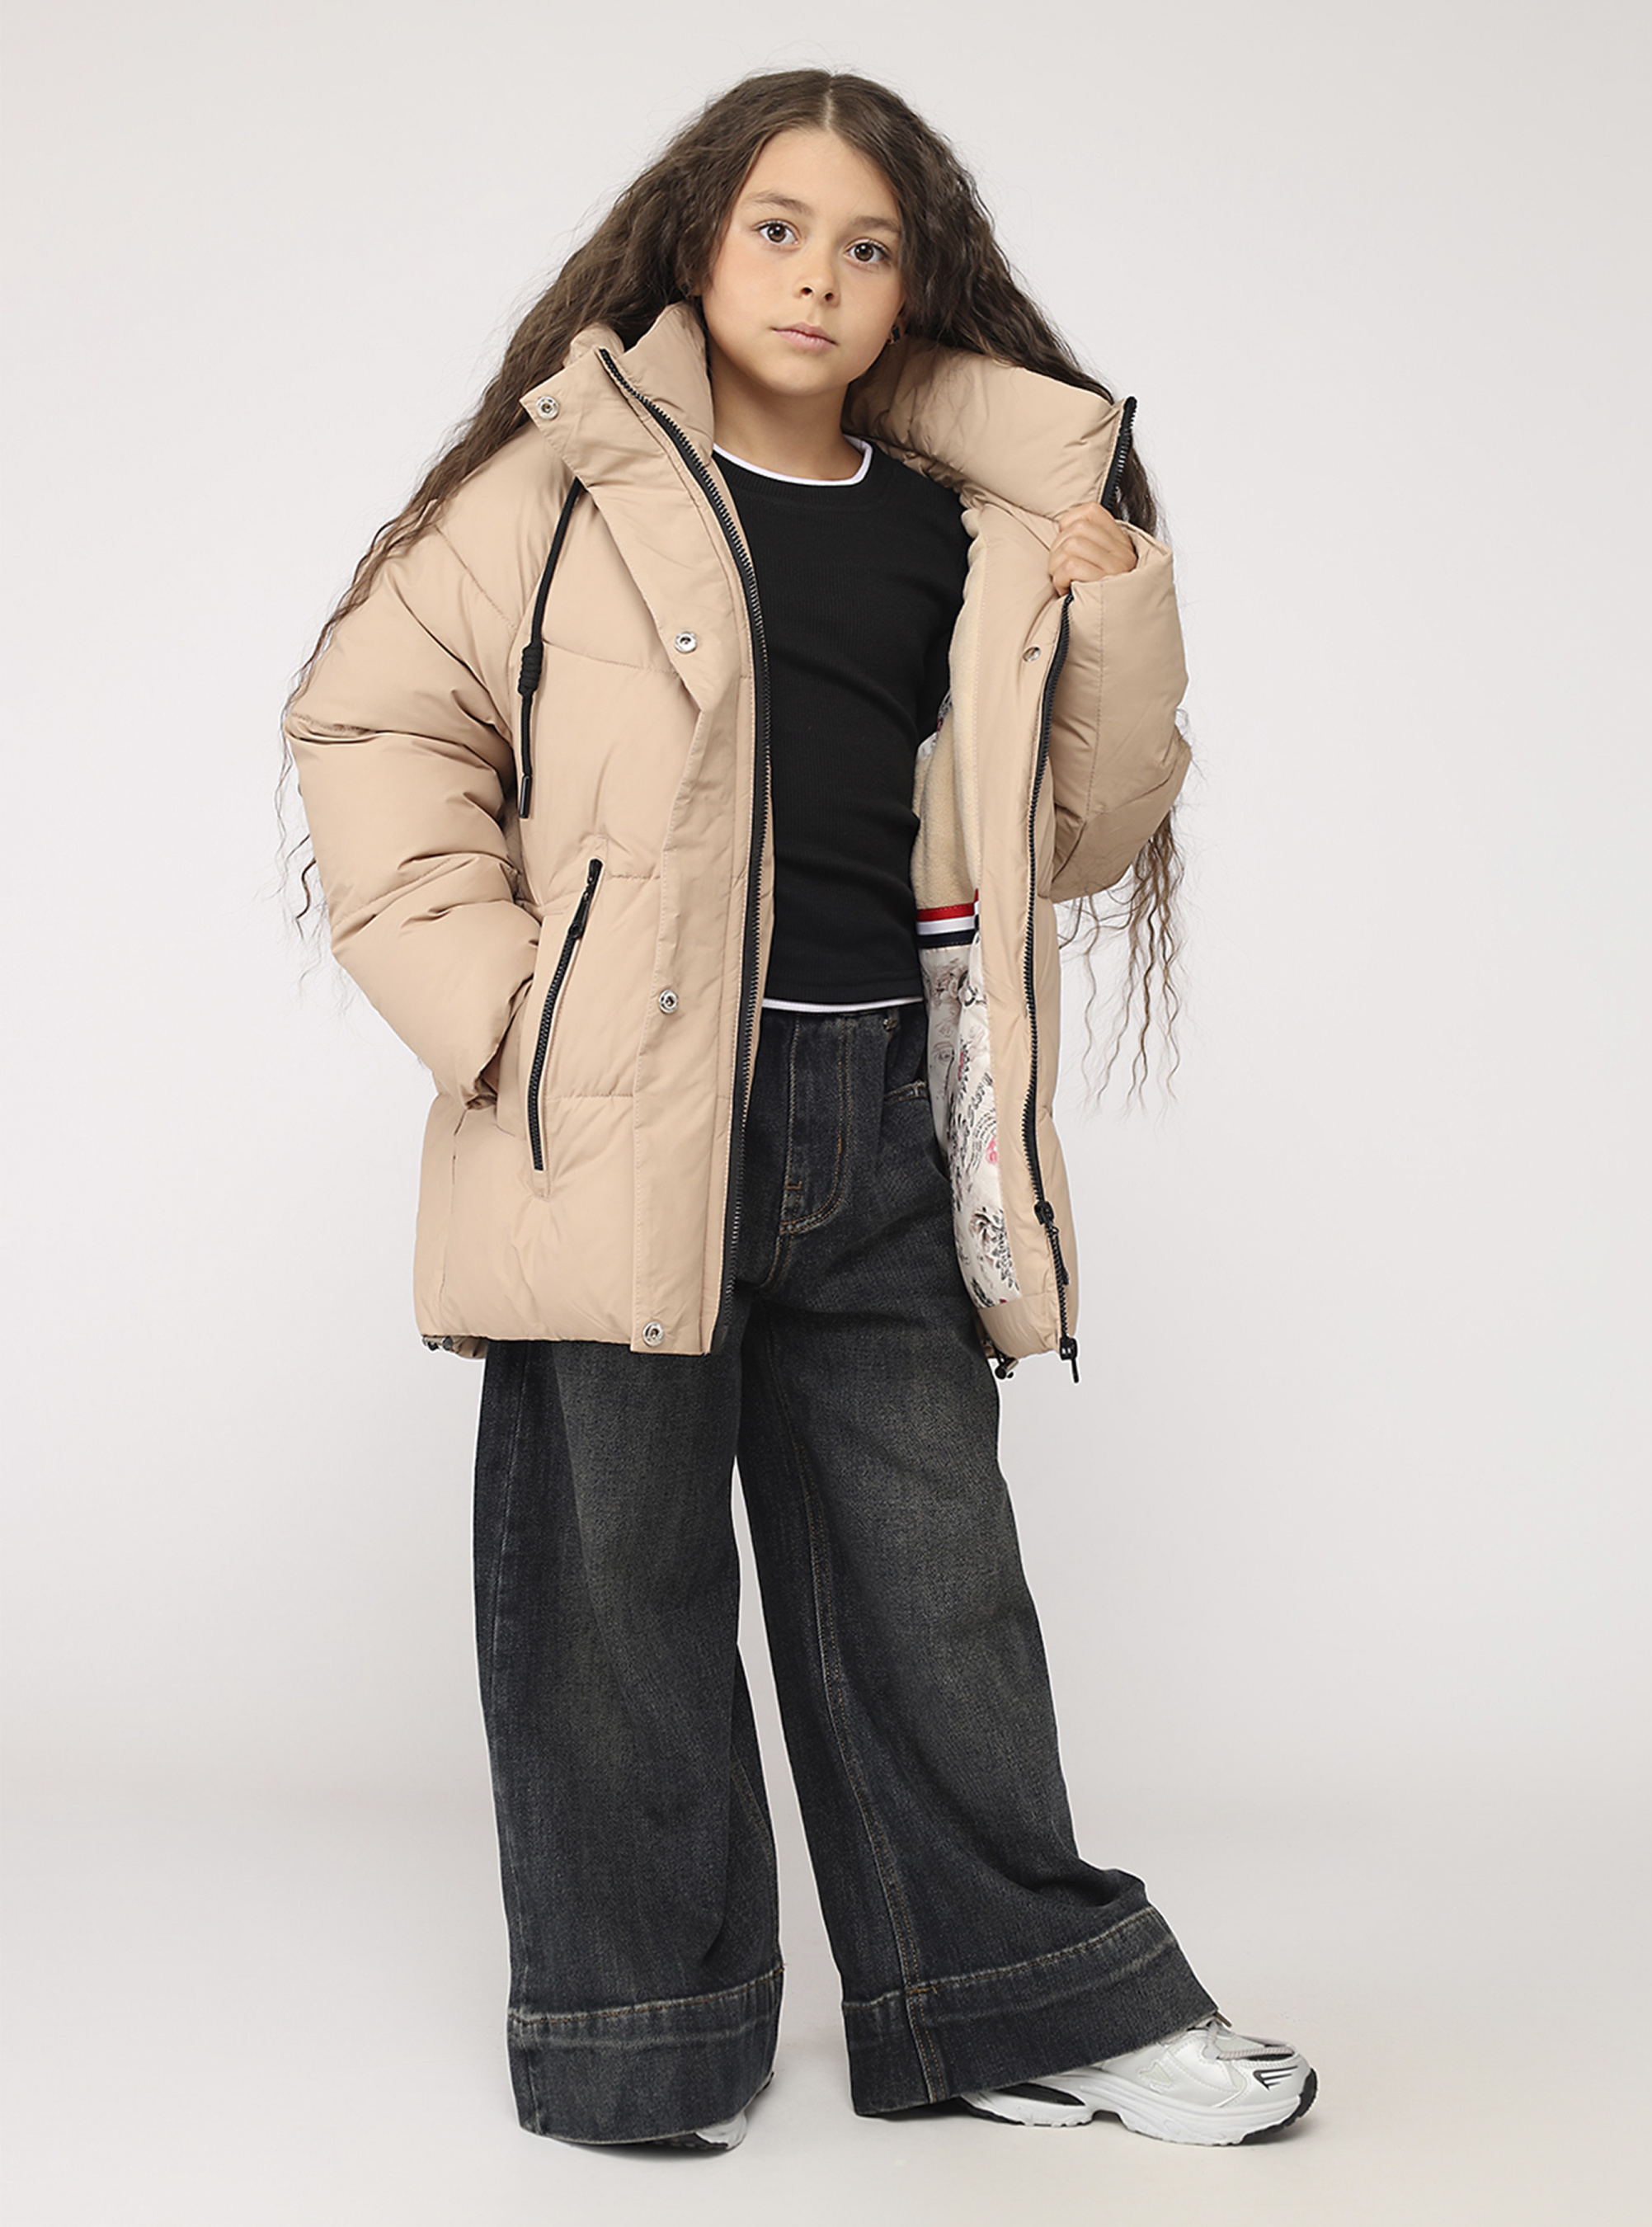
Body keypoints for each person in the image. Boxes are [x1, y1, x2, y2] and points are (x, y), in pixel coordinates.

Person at [282, 67, 1316, 2157]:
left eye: (866, 247)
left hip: (887, 1113)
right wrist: (507, 1016)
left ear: (914, 284)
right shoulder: (562, 481)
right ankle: (641, 2043)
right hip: (622, 1115)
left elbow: (1076, 836)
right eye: (777, 229)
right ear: (696, 237)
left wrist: (1112, 603)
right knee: (614, 1586)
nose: (817, 278)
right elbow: (371, 720)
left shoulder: (969, 528)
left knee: (934, 1583)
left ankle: (1011, 2003)